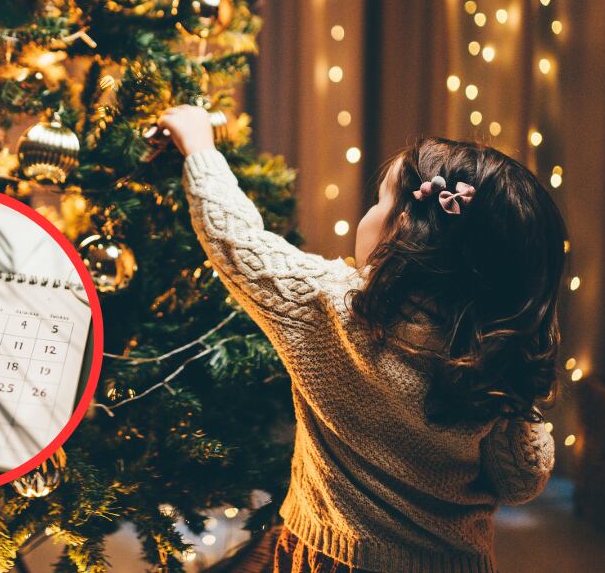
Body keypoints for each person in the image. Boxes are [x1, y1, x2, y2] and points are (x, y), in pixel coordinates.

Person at [156, 104, 566, 573]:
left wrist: (201, 150)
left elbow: (238, 244)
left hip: (328, 555)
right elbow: (520, 481)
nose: (368, 212)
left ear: (405, 231)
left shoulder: (331, 308)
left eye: (379, 202)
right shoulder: (495, 359)